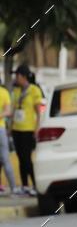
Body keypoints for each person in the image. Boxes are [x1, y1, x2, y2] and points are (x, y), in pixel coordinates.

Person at [11, 63, 44, 196]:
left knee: (27, 158)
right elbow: (13, 110)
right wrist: (9, 127)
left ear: (23, 76)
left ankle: (36, 185)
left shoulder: (34, 90)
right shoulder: (16, 91)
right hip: (16, 129)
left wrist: (37, 128)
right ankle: (25, 186)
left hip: (28, 129)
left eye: (17, 75)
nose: (16, 78)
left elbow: (38, 112)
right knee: (20, 157)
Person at [0, 78, 17, 194]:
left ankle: (13, 187)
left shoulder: (3, 92)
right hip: (1, 129)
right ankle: (14, 188)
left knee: (5, 160)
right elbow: (8, 111)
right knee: (5, 159)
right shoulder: (4, 92)